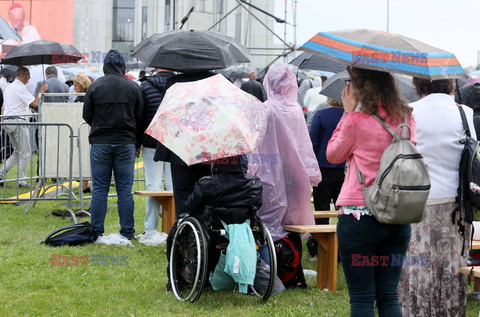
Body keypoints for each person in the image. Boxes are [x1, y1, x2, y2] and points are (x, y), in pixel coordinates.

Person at [326, 67, 414, 317]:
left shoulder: (355, 121)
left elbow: (333, 155)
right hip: (398, 214)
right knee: (388, 294)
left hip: (358, 215)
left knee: (362, 297)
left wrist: (346, 113)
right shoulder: (407, 117)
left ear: (360, 87)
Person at [398, 77, 475, 317]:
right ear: (450, 83)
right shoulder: (465, 113)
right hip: (456, 200)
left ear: (417, 83)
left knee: (415, 264)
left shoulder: (408, 111)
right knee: (451, 265)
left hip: (414, 198)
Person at [249, 62, 322, 243]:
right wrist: (311, 173)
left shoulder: (265, 109)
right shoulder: (295, 110)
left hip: (269, 173)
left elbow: (255, 145)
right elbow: (305, 145)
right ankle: (291, 263)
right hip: (295, 173)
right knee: (292, 221)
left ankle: (273, 262)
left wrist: (251, 170)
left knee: (269, 222)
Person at [82, 49, 144, 240]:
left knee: (99, 188)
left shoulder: (95, 86)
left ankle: (96, 231)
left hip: (101, 142)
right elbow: (140, 117)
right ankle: (127, 232)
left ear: (105, 65)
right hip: (125, 142)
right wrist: (137, 143)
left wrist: (99, 127)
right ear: (122, 65)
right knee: (124, 189)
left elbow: (87, 114)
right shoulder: (133, 87)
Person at [154, 70, 216, 217]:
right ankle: (204, 228)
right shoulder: (216, 81)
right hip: (208, 147)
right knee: (207, 192)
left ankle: (184, 230)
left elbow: (165, 115)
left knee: (182, 193)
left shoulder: (174, 83)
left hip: (180, 147)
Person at [306, 97, 345, 258]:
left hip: (322, 169)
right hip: (343, 169)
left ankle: (319, 250)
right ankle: (341, 251)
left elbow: (312, 140)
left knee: (321, 211)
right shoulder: (348, 116)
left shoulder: (321, 115)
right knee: (343, 212)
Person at [140, 67, 175, 234]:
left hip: (150, 141)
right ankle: (173, 226)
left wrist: (137, 142)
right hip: (174, 142)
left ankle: (150, 229)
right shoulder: (179, 84)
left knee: (152, 185)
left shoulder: (145, 86)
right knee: (172, 185)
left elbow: (140, 115)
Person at [0, 66, 47, 187]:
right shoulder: (20, 87)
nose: (29, 78)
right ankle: (22, 180)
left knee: (17, 152)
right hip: (18, 122)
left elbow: (4, 107)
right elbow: (34, 103)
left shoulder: (10, 87)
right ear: (22, 75)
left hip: (9, 122)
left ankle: (1, 174)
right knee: (25, 152)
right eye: (28, 76)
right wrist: (42, 91)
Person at [72, 73, 91, 193]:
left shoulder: (83, 98)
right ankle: (85, 185)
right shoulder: (83, 96)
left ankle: (85, 185)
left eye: (75, 84)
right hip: (83, 132)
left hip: (84, 132)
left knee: (85, 157)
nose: (73, 87)